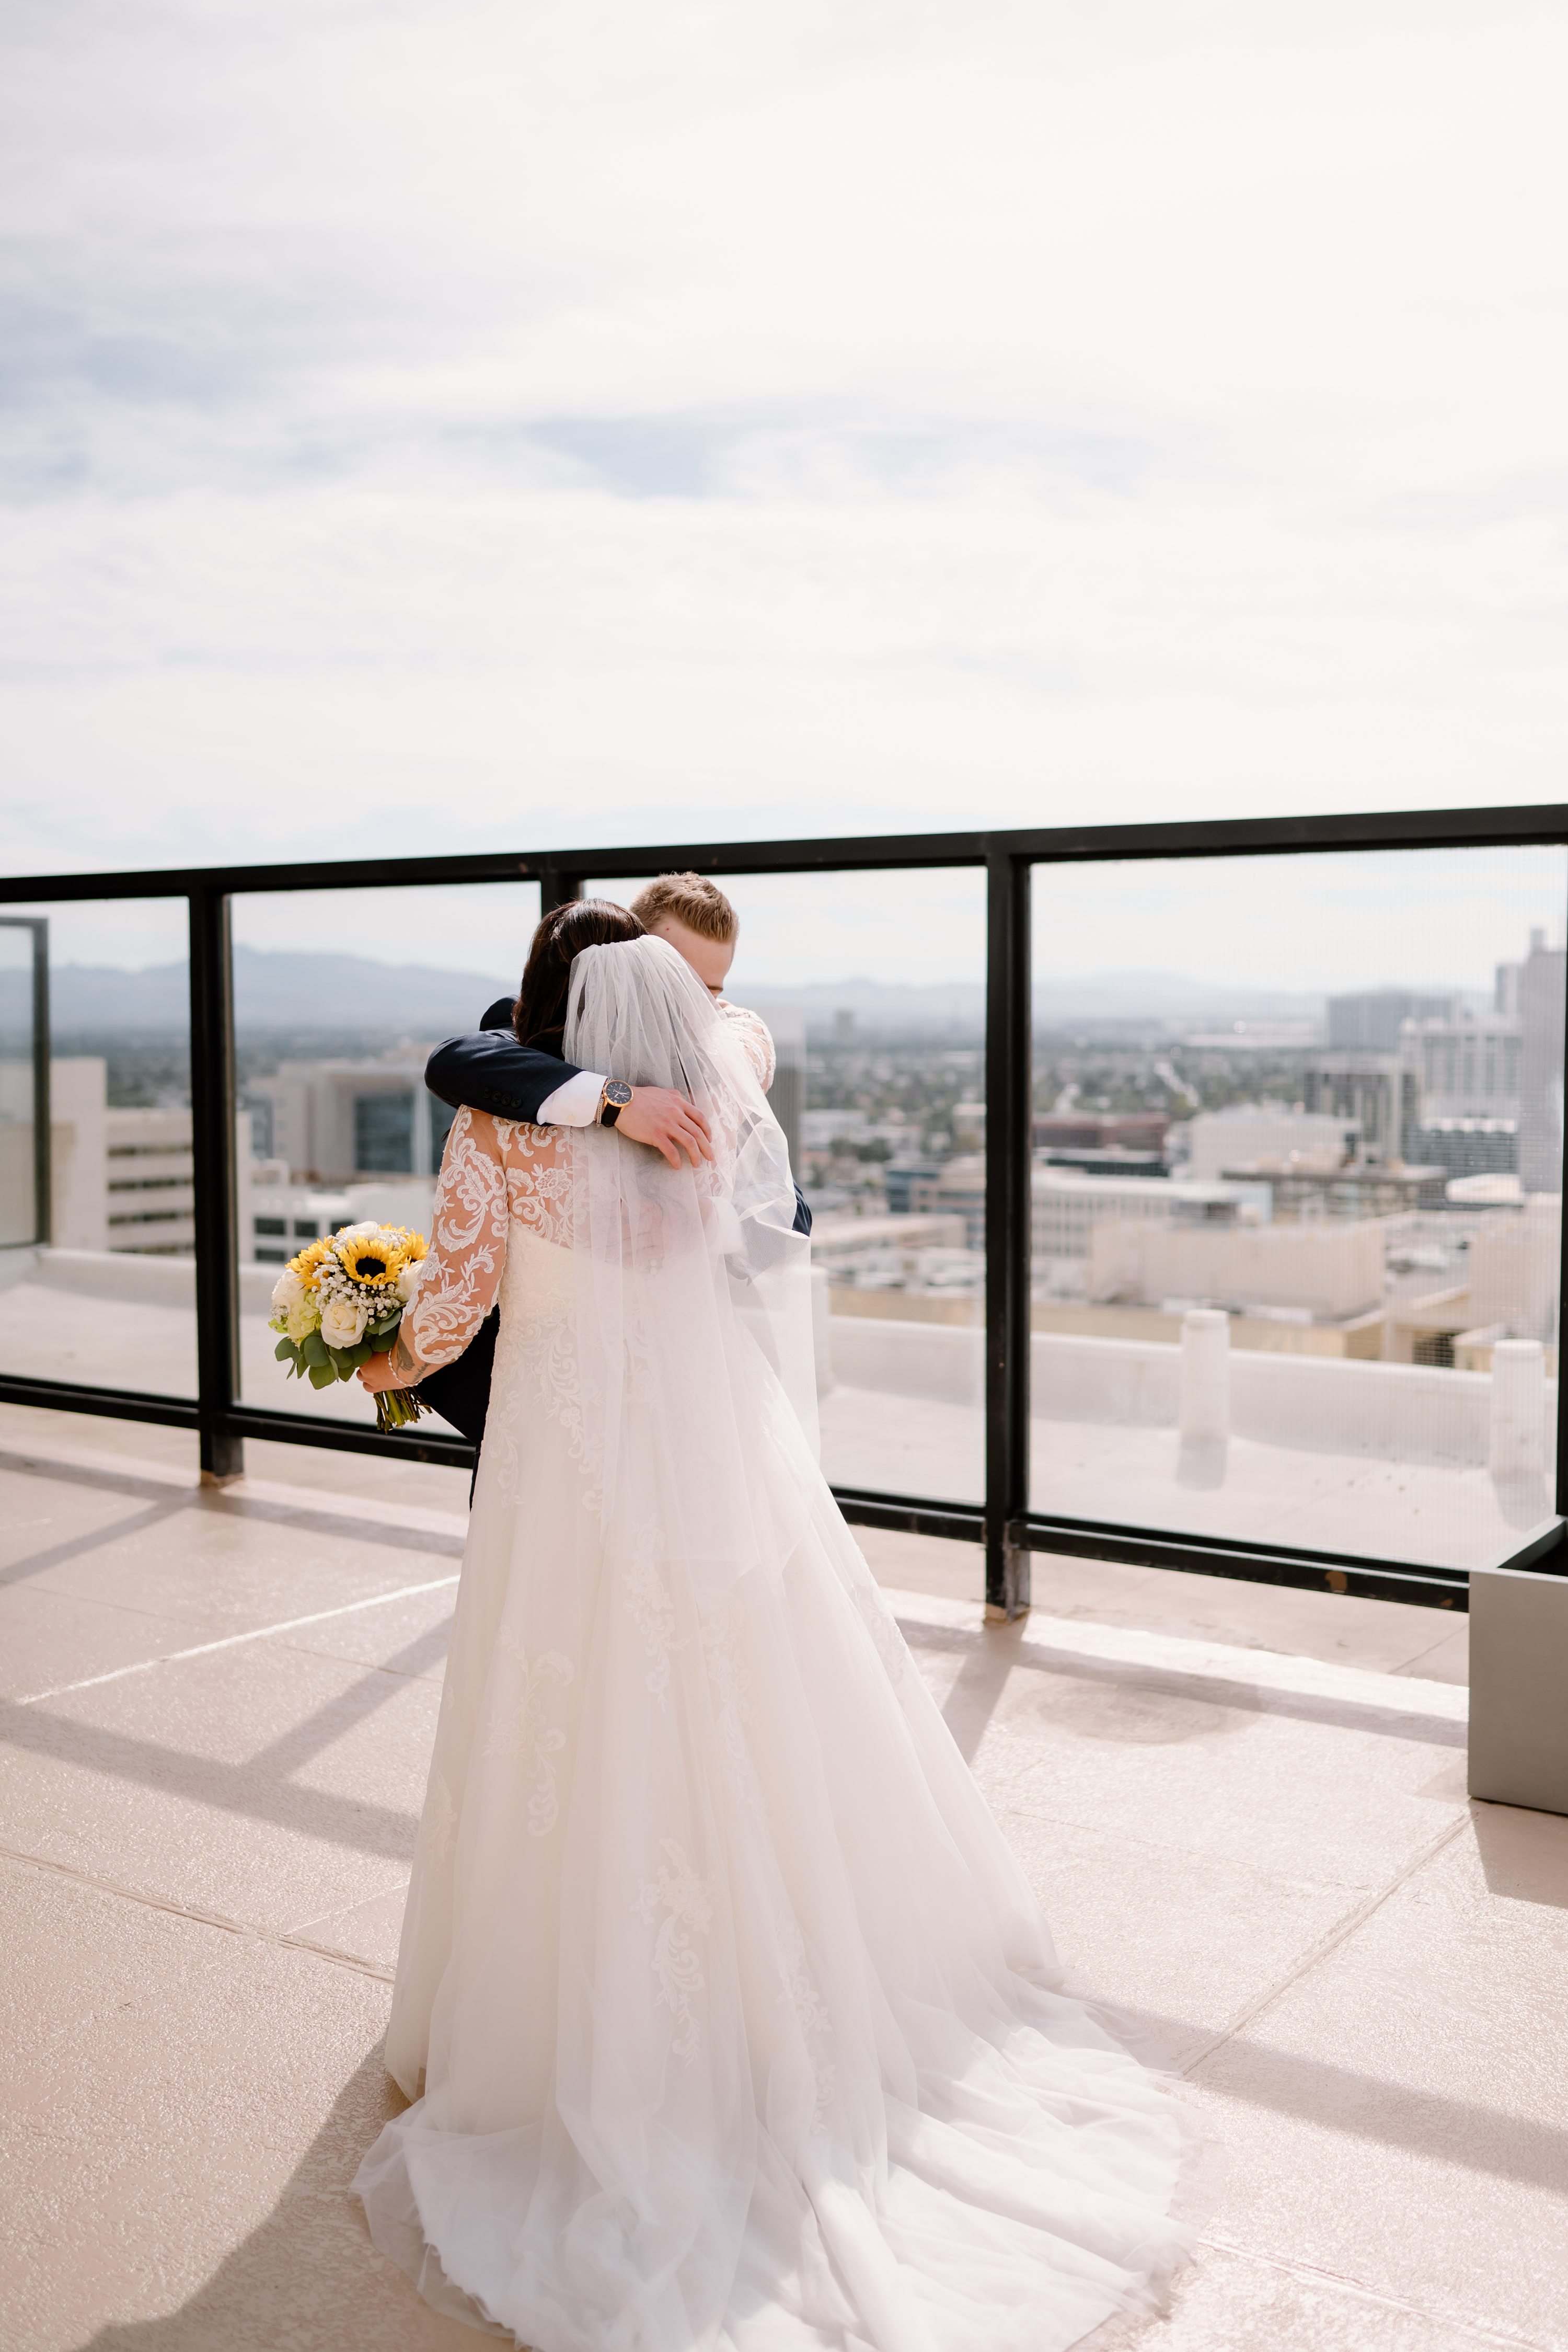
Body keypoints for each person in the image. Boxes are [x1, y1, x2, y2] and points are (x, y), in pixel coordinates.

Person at [352, 930, 1195, 2352]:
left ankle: (556, 2032)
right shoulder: (713, 1121)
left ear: (540, 1007)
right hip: (711, 1465)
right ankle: (775, 2006)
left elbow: (455, 1295)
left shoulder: (502, 1129)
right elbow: (734, 1150)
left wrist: (374, 1352)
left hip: (565, 1477)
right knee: (743, 1707)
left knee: (566, 1716)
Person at [417, 880, 809, 1451]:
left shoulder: (719, 1060)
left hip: (676, 1381)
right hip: (544, 1385)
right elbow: (455, 1062)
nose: (685, 1004)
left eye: (709, 992)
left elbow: (790, 1214)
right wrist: (615, 1101)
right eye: (674, 975)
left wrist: (703, 1219)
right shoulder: (541, 1031)